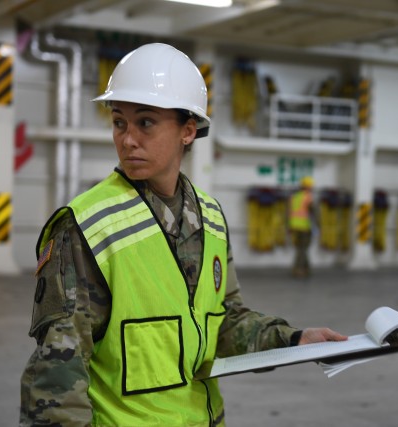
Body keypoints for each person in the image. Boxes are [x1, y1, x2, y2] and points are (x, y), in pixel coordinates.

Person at [19, 43, 346, 427]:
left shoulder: (209, 217)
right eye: (119, 122)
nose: (127, 139)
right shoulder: (86, 227)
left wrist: (293, 341)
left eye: (145, 123)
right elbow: (58, 371)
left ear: (188, 131)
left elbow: (225, 322)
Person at [289, 176, 315, 278]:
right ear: (308, 186)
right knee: (303, 249)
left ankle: (306, 268)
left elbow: (289, 212)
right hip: (304, 227)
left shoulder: (294, 197)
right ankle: (299, 270)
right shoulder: (308, 197)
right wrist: (317, 225)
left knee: (301, 248)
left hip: (294, 226)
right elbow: (313, 211)